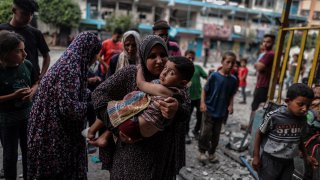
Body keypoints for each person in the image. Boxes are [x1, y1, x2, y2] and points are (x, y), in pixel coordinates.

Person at [91, 35, 190, 179]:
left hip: (161, 157)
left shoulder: (177, 79)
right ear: (143, 57)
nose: (159, 60)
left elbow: (186, 110)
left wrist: (176, 109)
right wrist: (116, 128)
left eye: (163, 55)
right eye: (152, 56)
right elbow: (98, 95)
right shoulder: (130, 74)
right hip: (131, 157)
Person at [27, 32, 101, 179]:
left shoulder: (71, 61)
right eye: (96, 54)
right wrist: (91, 106)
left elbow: (73, 91)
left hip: (53, 130)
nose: (95, 59)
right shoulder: (70, 68)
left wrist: (94, 96)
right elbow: (69, 108)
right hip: (52, 135)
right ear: (89, 52)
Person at [89, 57, 193, 144]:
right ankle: (97, 134)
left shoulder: (166, 90)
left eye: (171, 73)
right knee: (125, 102)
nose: (164, 72)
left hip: (134, 125)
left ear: (183, 83)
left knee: (118, 104)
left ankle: (91, 131)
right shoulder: (180, 92)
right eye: (165, 68)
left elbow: (141, 84)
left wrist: (139, 68)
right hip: (141, 131)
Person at [252, 83, 318, 179]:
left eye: (308, 106)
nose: (305, 109)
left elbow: (298, 138)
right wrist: (256, 156)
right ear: (288, 101)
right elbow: (259, 133)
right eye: (300, 104)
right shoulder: (274, 116)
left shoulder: (302, 119)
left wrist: (306, 156)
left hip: (288, 162)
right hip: (271, 160)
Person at [0, 30, 38, 180]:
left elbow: (36, 82)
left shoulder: (27, 65)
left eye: (24, 49)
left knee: (29, 152)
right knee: (10, 155)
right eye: (18, 51)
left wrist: (32, 92)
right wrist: (13, 96)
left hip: (28, 118)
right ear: (4, 53)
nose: (25, 54)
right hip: (7, 122)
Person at [198, 51, 238, 163]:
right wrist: (202, 103)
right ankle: (202, 151)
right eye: (228, 62)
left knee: (216, 135)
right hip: (209, 110)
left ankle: (211, 153)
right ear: (222, 62)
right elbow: (204, 90)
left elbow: (231, 94)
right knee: (205, 132)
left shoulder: (233, 80)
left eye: (233, 63)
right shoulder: (214, 76)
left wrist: (231, 105)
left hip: (221, 112)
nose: (230, 65)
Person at [0, 0, 50, 80]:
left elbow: (46, 56)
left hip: (32, 80)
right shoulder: (1, 30)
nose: (29, 17)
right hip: (6, 82)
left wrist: (42, 76)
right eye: (25, 13)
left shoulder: (36, 33)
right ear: (14, 10)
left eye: (31, 14)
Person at [249, 34, 275, 129]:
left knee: (257, 107)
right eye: (264, 41)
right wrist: (258, 64)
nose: (265, 44)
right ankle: (251, 126)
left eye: (268, 42)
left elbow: (259, 67)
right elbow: (258, 66)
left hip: (263, 85)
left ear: (272, 43)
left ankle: (252, 127)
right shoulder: (265, 54)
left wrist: (257, 64)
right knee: (255, 106)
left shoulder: (269, 54)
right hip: (261, 84)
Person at [185, 49, 208, 142]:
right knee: (187, 117)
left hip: (199, 97)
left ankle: (196, 131)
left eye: (192, 58)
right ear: (185, 57)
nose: (190, 59)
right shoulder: (182, 69)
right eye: (189, 57)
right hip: (187, 97)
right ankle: (186, 134)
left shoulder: (198, 67)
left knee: (200, 116)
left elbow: (207, 77)